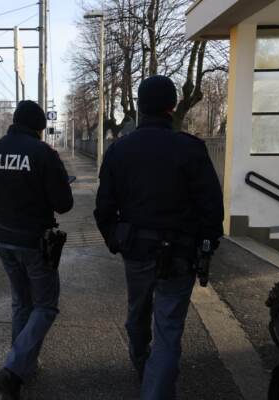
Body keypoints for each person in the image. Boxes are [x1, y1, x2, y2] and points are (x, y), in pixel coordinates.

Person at [94, 75, 224, 400]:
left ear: (139, 106)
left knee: (137, 316)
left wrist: (116, 241)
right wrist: (207, 245)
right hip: (180, 254)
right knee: (168, 330)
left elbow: (103, 208)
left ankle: (144, 367)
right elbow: (211, 207)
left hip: (136, 250)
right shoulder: (191, 149)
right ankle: (156, 384)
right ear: (171, 107)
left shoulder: (119, 150)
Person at [0, 100, 73, 400]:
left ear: (14, 122)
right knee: (46, 306)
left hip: (3, 239)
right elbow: (63, 204)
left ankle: (21, 365)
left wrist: (5, 200)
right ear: (40, 128)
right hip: (34, 242)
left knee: (21, 303)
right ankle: (14, 370)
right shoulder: (43, 154)